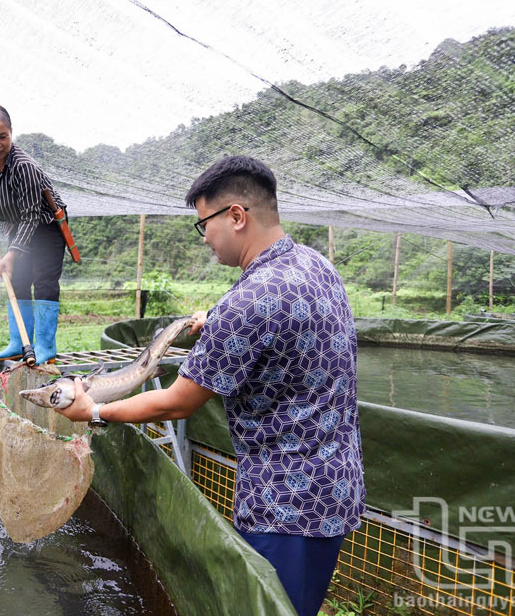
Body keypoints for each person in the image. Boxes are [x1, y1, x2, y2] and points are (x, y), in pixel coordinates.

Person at [57, 155, 365, 616]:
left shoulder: (249, 302)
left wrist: (95, 411)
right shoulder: (317, 266)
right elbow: (277, 325)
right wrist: (216, 319)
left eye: (204, 225)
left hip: (285, 505)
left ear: (236, 216)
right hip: (336, 485)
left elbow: (176, 402)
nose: (205, 240)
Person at [0, 104, 68, 364]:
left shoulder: (24, 167)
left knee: (44, 281)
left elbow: (31, 215)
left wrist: (13, 253)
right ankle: (19, 343)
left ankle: (45, 347)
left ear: (11, 133)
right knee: (17, 281)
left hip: (47, 224)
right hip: (17, 228)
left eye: (2, 136)